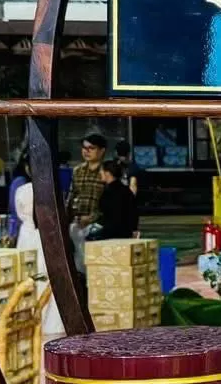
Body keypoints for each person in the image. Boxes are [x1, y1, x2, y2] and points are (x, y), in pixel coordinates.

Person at [11, 158, 64, 337]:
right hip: (47, 235)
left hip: (27, 235)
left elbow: (18, 212)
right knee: (48, 275)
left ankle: (29, 320)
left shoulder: (22, 190)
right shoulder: (52, 191)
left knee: (29, 275)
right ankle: (51, 323)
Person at [66, 133, 107, 274]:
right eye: (84, 148)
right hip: (77, 224)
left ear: (102, 151)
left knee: (96, 264)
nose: (86, 151)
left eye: (91, 148)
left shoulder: (106, 172)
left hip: (99, 225)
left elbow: (112, 201)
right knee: (78, 264)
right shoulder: (77, 171)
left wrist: (92, 218)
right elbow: (71, 196)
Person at [92, 161, 139, 241]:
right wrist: (134, 229)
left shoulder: (108, 192)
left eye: (101, 171)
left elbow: (105, 213)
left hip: (110, 234)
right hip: (125, 233)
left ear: (107, 173)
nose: (99, 173)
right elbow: (133, 212)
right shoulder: (126, 191)